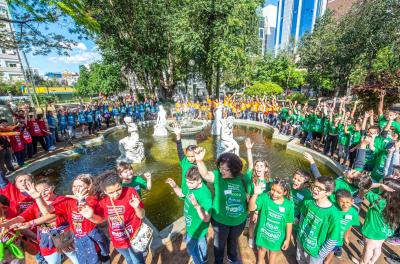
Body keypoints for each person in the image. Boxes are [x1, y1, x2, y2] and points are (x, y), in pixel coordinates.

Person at [1, 178, 79, 264]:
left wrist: (31, 222)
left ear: (52, 188)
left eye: (45, 190)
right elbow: (22, 217)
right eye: (38, 192)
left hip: (63, 235)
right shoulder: (35, 205)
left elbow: (50, 215)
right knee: (53, 261)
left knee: (73, 255)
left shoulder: (63, 200)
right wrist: (6, 224)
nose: (43, 193)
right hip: (46, 238)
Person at [195, 148, 249, 264]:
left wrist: (250, 195)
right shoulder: (217, 176)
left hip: (238, 221)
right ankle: (218, 261)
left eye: (226, 169)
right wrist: (199, 161)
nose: (221, 171)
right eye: (220, 167)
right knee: (219, 244)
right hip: (220, 221)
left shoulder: (243, 178)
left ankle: (232, 258)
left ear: (234, 170)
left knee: (233, 241)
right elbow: (205, 174)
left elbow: (251, 193)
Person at [81, 170, 146, 264]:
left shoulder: (130, 192)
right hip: (117, 239)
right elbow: (102, 219)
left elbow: (142, 215)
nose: (116, 194)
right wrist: (91, 217)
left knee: (137, 261)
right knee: (129, 260)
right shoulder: (102, 199)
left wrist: (137, 207)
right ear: (104, 191)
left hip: (133, 237)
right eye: (111, 192)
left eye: (119, 189)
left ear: (121, 184)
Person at [166, 166, 212, 264]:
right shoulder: (191, 186)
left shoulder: (205, 195)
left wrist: (197, 206)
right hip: (191, 225)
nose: (188, 185)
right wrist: (174, 186)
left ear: (199, 180)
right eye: (187, 182)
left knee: (191, 250)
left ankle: (199, 261)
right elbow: (182, 194)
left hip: (196, 228)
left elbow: (207, 218)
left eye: (191, 183)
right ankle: (204, 258)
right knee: (201, 241)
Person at [296, 176, 340, 264]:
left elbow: (333, 238)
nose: (315, 189)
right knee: (300, 260)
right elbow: (302, 217)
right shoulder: (308, 201)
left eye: (319, 188)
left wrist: (321, 254)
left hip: (315, 252)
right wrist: (299, 235)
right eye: (314, 186)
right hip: (301, 241)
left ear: (328, 192)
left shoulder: (333, 214)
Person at [249, 179, 294, 264]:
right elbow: (251, 208)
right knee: (262, 250)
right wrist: (255, 194)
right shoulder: (264, 197)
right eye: (272, 190)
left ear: (285, 193)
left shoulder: (289, 205)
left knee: (273, 252)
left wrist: (287, 239)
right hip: (263, 234)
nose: (274, 194)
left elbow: (289, 222)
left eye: (278, 192)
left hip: (277, 237)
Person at [357, 178, 400, 264]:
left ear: (387, 188)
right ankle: (372, 262)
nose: (380, 184)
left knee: (368, 248)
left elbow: (363, 189)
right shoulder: (396, 203)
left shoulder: (378, 199)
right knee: (377, 247)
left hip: (373, 231)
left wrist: (378, 185)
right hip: (385, 231)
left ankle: (363, 263)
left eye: (382, 184)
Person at [245, 138, 272, 248]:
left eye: (261, 166)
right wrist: (248, 150)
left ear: (266, 169)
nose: (258, 168)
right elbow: (251, 163)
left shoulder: (269, 182)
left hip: (264, 205)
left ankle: (259, 238)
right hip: (254, 203)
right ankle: (251, 237)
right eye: (257, 166)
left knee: (262, 222)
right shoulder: (252, 177)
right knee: (252, 221)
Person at [325, 189, 360, 264]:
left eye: (347, 202)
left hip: (338, 238)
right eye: (342, 202)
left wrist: (346, 237)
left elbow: (350, 225)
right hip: (326, 234)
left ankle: (326, 262)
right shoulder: (332, 207)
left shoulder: (353, 212)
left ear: (352, 201)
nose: (345, 205)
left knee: (331, 252)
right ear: (336, 201)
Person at [173, 123, 200, 196]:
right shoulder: (184, 161)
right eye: (188, 156)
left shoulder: (200, 165)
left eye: (192, 156)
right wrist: (178, 135)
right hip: (184, 191)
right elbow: (179, 150)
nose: (190, 158)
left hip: (195, 193)